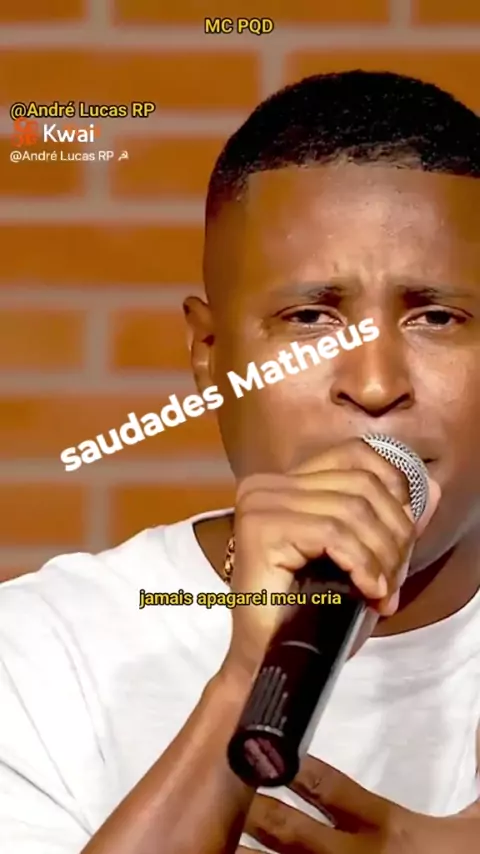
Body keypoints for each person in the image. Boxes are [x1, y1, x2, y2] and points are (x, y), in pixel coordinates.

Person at [0, 69, 479, 854]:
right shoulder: (37, 655)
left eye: (436, 317)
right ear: (210, 354)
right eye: (310, 317)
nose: (375, 384)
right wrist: (245, 678)